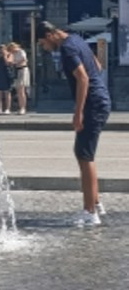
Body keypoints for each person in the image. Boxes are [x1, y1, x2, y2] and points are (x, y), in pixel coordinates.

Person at [36, 21, 111, 227]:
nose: (44, 47)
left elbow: (83, 79)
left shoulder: (68, 49)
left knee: (85, 155)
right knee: (83, 152)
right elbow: (97, 65)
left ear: (51, 35)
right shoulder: (76, 39)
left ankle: (90, 212)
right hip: (100, 100)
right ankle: (95, 202)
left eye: (43, 43)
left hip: (92, 104)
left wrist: (78, 113)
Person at [8, 42, 30, 115]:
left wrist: (15, 62)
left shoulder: (21, 52)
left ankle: (23, 107)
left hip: (22, 69)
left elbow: (24, 60)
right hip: (17, 70)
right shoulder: (14, 53)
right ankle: (21, 107)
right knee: (18, 90)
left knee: (21, 90)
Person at [0, 44, 13, 115]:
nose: (1, 50)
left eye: (2, 48)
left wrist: (5, 55)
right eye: (0, 48)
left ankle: (8, 108)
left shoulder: (9, 55)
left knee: (7, 91)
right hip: (0, 73)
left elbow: (8, 63)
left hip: (6, 74)